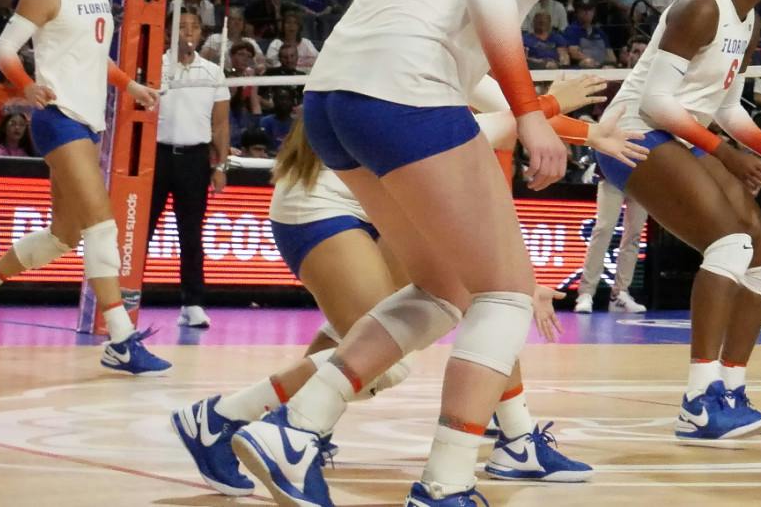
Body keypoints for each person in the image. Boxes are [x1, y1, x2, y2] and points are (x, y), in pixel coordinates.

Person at [226, 0, 598, 507]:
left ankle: (296, 430)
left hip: (333, 96)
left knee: (443, 291)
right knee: (505, 295)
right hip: (403, 85)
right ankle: (447, 482)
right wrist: (531, 112)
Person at [172, 75, 625, 496]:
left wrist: (573, 126)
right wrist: (555, 109)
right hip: (323, 202)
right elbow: (500, 125)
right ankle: (223, 417)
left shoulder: (454, 60)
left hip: (377, 195)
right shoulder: (423, 65)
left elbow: (514, 118)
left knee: (481, 294)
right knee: (388, 360)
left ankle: (517, 439)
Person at [593, 0, 761, 442]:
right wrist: (727, 154)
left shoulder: (749, 19)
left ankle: (730, 391)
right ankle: (698, 402)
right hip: (632, 134)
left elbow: (727, 107)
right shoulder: (701, 6)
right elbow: (656, 103)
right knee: (730, 243)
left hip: (684, 135)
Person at [0, 0, 169, 373]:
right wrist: (26, 85)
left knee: (64, 236)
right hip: (58, 118)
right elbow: (3, 51)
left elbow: (95, 58)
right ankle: (120, 340)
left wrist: (130, 86)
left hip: (88, 121)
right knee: (102, 224)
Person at [149, 8, 231, 328]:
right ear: (169, 32)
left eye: (194, 27)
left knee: (192, 234)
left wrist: (220, 165)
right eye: (181, 26)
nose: (187, 32)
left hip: (194, 159)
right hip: (156, 157)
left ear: (201, 33)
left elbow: (220, 124)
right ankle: (127, 297)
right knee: (141, 231)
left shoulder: (213, 72)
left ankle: (193, 303)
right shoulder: (154, 67)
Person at [570, 175, 650, 314]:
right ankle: (586, 293)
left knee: (634, 234)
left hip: (641, 179)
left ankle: (620, 294)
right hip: (612, 175)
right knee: (603, 230)